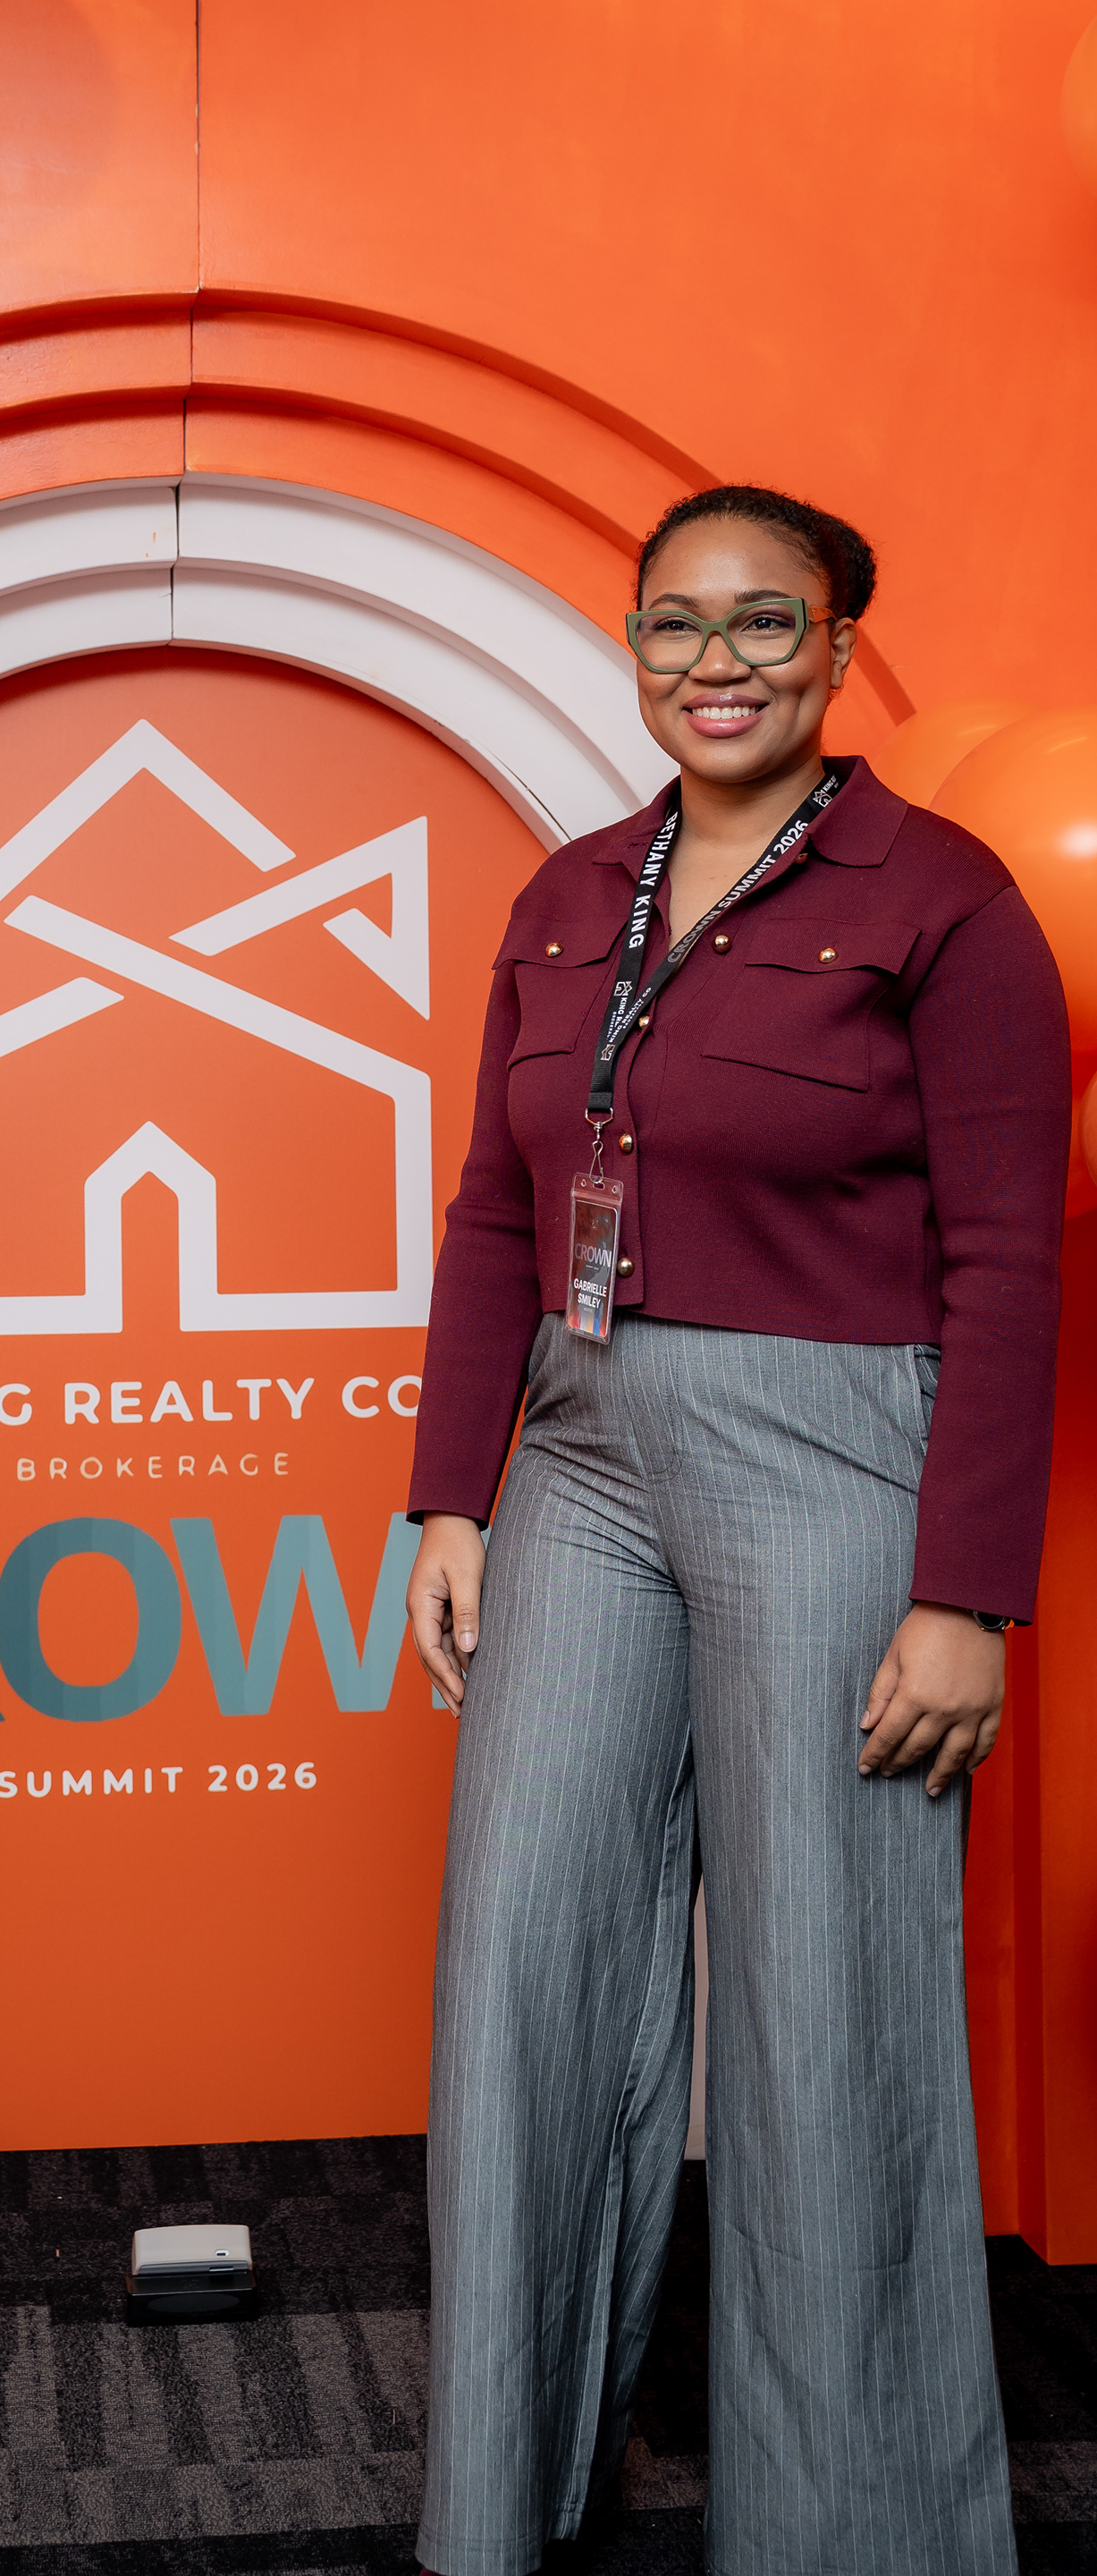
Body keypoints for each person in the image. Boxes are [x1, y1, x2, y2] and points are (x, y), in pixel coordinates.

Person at [404, 485, 1067, 2576]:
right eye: (676, 622)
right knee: (525, 1960)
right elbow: (497, 1214)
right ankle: (501, 2503)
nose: (719, 661)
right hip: (584, 1460)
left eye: (766, 621)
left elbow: (1013, 1265)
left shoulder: (945, 902)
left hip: (832, 1459)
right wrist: (449, 1494)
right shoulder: (568, 893)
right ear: (633, 645)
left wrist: (965, 1597)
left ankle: (853, 2534)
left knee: (823, 2005)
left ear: (840, 644)